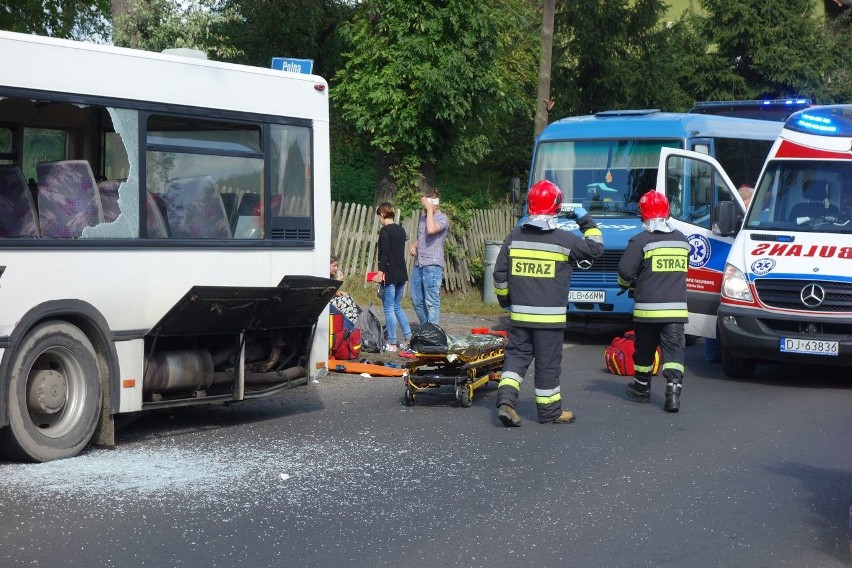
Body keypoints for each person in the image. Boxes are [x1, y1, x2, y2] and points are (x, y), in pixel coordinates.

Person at [493, 180, 604, 426]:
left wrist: (506, 300)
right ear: (557, 207)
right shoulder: (564, 240)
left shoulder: (514, 237)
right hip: (550, 321)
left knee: (515, 359)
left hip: (521, 317)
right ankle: (549, 412)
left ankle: (506, 402)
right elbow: (597, 248)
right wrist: (582, 217)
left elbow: (499, 275)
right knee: (548, 364)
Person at [618, 190, 690, 412]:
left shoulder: (641, 241)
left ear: (643, 215)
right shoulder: (682, 240)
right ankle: (673, 394)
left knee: (645, 350)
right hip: (676, 310)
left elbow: (625, 271)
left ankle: (641, 388)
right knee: (674, 352)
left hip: (647, 310)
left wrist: (625, 285)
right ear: (667, 213)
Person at [373, 202, 412, 353]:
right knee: (397, 307)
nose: (379, 220)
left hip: (389, 273)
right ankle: (408, 338)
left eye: (379, 217)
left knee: (388, 309)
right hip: (401, 272)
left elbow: (386, 254)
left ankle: (392, 342)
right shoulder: (401, 230)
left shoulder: (385, 231)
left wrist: (380, 272)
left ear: (382, 215)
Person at [408, 188, 449, 325]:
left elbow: (431, 230)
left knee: (431, 301)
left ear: (434, 204)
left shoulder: (442, 218)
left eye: (427, 203)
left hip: (432, 264)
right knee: (416, 299)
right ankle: (427, 328)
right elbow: (423, 237)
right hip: (419, 263)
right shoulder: (423, 218)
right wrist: (414, 244)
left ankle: (433, 333)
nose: (424, 207)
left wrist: (430, 210)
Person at [329, 254, 360, 325]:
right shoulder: (324, 276)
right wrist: (337, 282)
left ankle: (357, 323)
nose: (336, 268)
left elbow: (332, 291)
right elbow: (327, 294)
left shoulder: (331, 276)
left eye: (337, 266)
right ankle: (353, 325)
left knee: (347, 297)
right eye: (334, 266)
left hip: (331, 300)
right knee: (344, 301)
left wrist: (338, 292)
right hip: (326, 304)